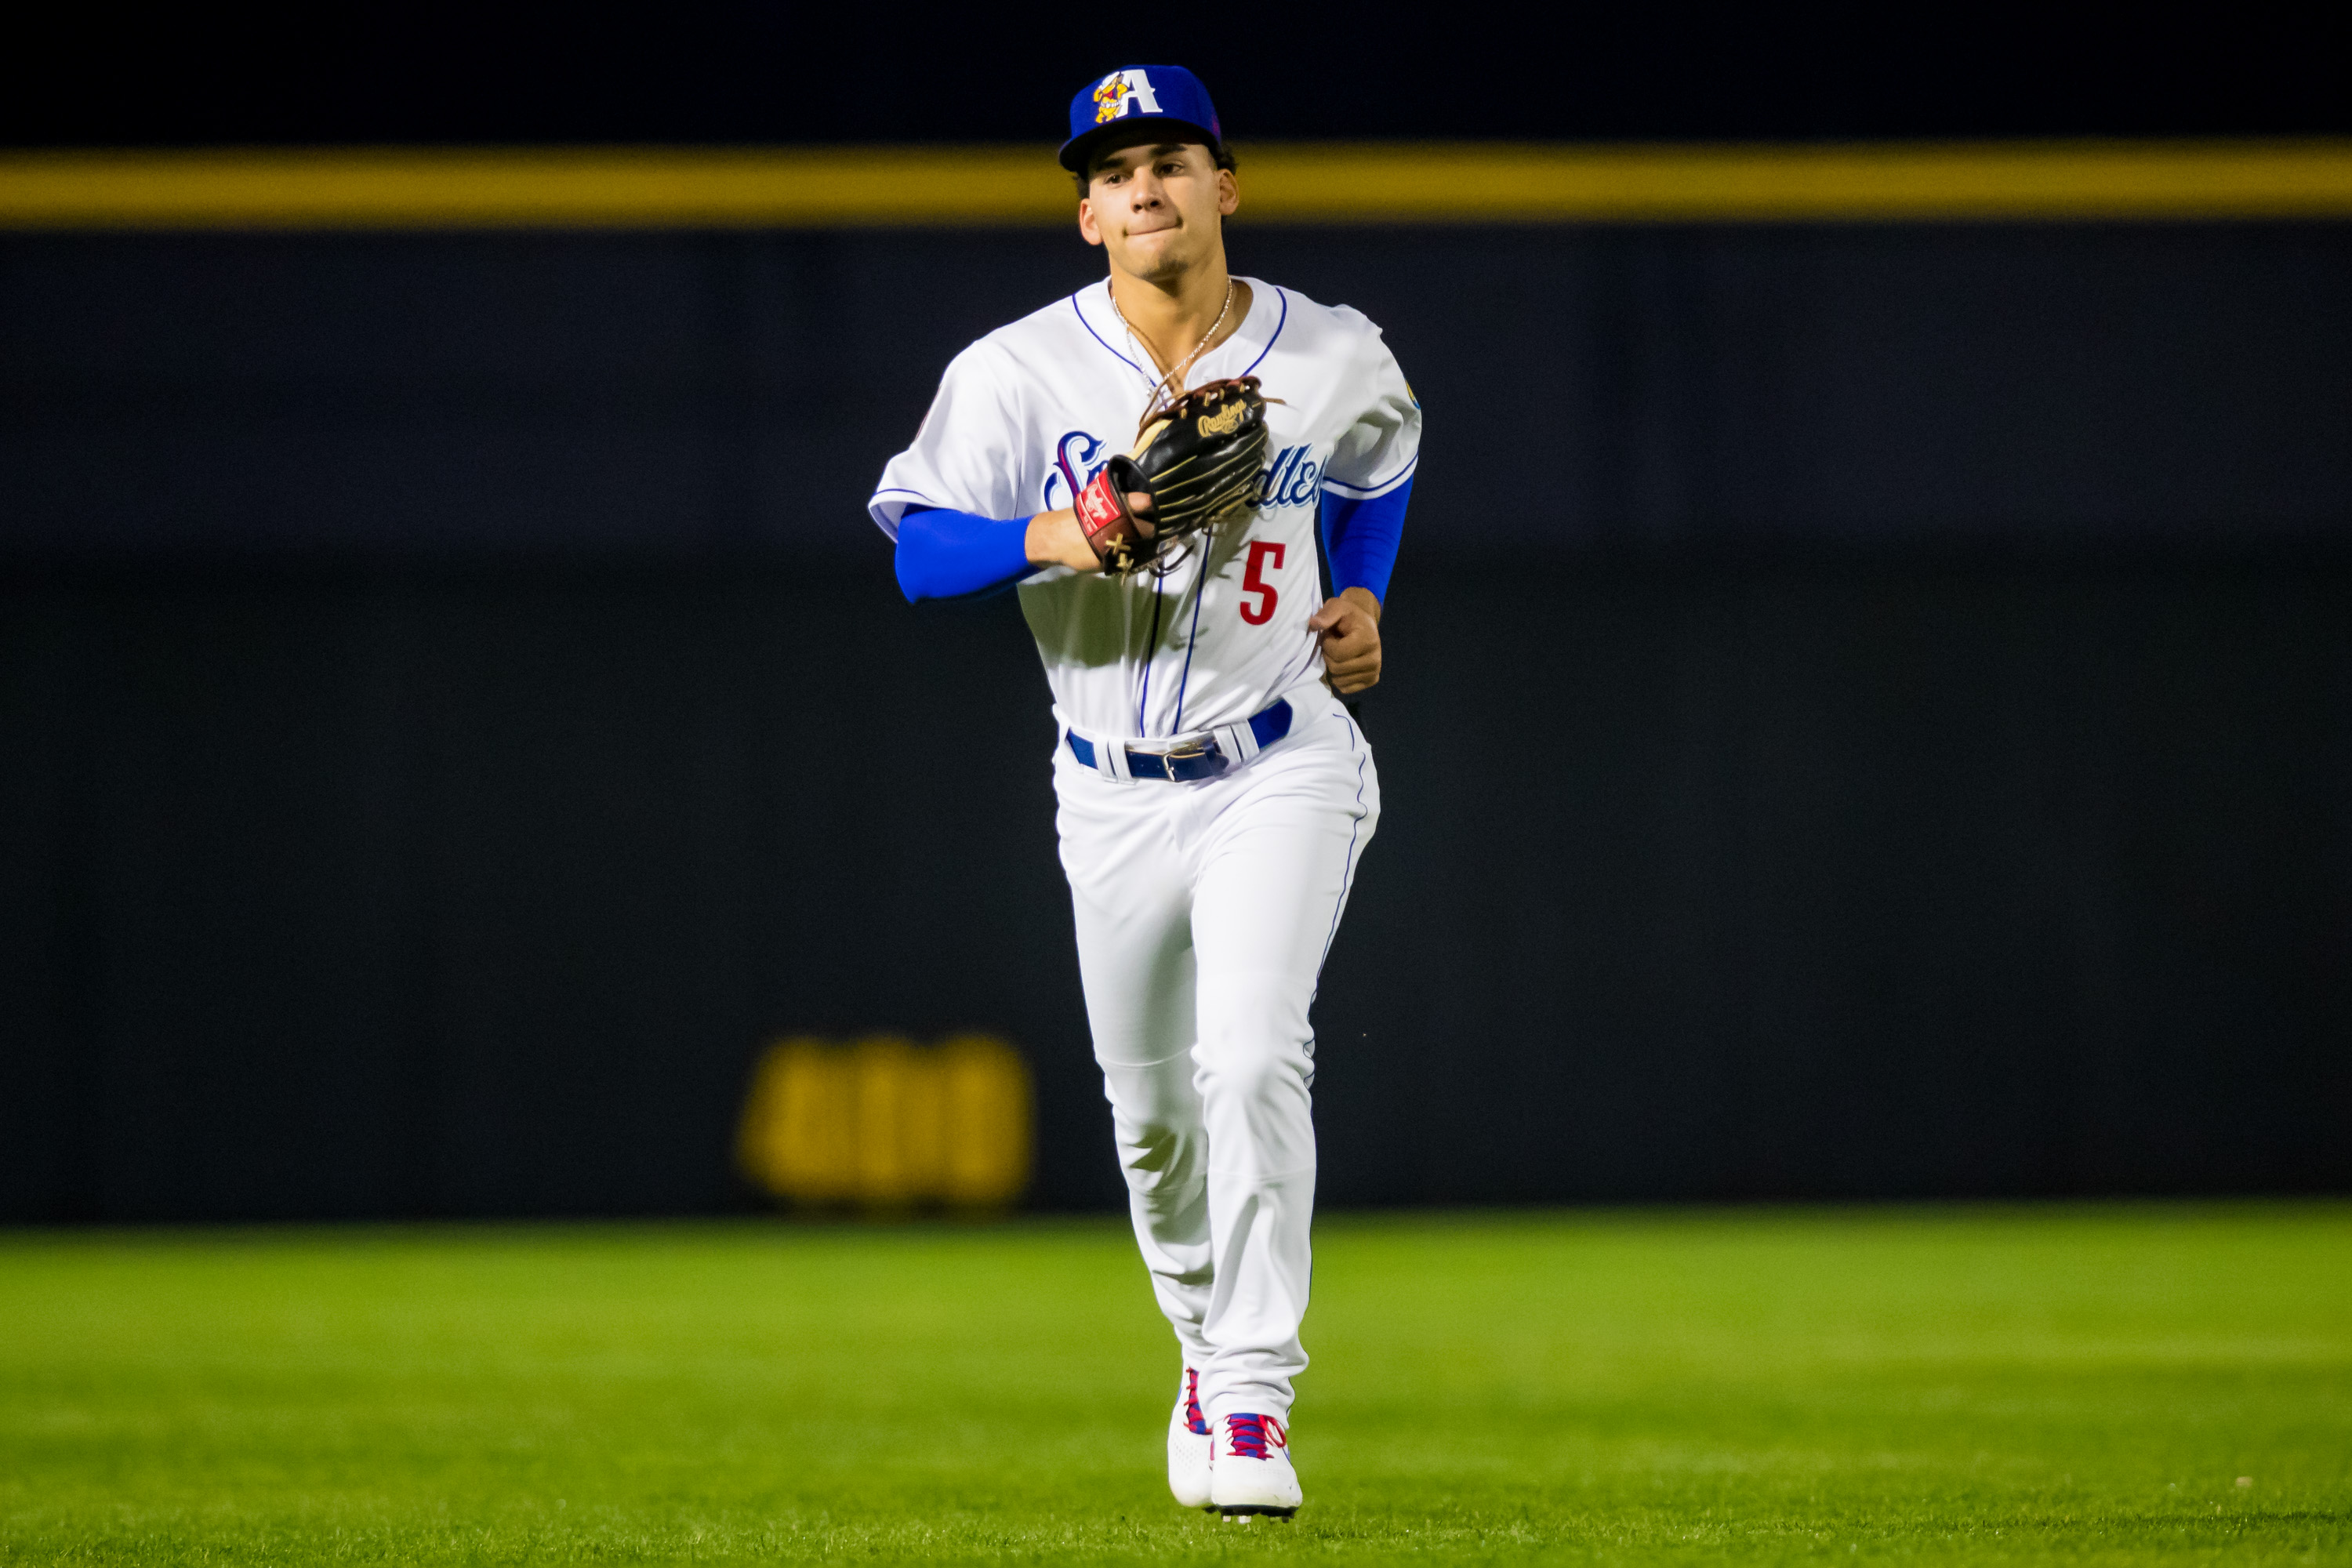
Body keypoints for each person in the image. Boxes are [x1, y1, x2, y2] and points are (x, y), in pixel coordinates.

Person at [867, 64, 1418, 1520]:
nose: (1142, 188)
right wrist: (1062, 531)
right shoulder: (1016, 372)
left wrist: (1363, 592)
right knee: (1153, 1123)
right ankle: (1198, 1342)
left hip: (1281, 760)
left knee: (1253, 1055)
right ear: (1087, 217)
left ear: (1222, 186)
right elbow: (918, 552)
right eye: (1111, 174)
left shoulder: (1332, 348)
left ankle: (1251, 1393)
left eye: (1168, 160)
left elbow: (1383, 460)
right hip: (1109, 792)